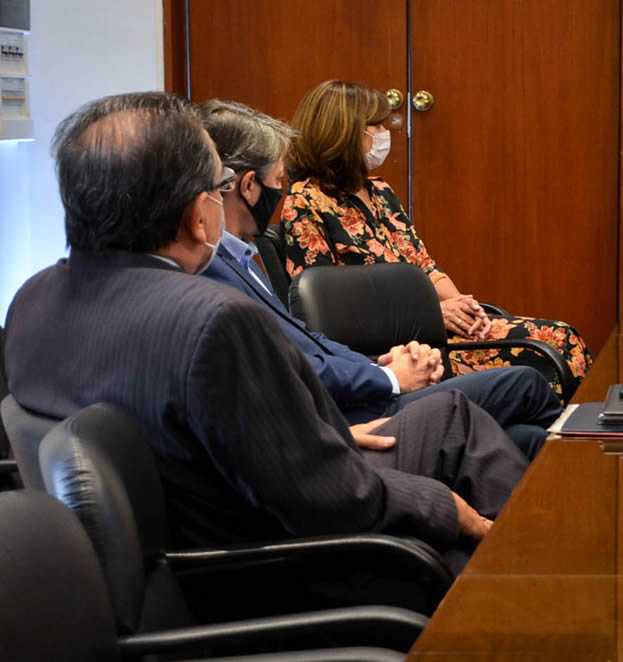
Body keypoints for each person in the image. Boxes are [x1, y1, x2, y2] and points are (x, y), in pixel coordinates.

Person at [4, 92, 524, 571]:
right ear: (196, 217)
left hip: (186, 541)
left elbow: (191, 434)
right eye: (215, 190)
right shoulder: (212, 320)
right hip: (266, 566)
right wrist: (446, 507)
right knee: (455, 445)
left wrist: (329, 434)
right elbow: (330, 499)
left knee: (470, 426)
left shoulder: (29, 301)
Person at [195, 99, 561, 460]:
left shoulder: (240, 256)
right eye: (277, 181)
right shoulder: (213, 269)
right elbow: (292, 365)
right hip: (346, 415)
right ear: (247, 186)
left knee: (524, 437)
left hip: (367, 378)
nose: (281, 192)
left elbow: (307, 340)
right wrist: (391, 378)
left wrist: (380, 365)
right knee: (525, 382)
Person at [278, 80, 591, 393]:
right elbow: (328, 311)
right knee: (556, 346)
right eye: (376, 126)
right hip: (400, 349)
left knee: (565, 338)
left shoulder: (381, 191)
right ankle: (566, 442)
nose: (385, 133)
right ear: (343, 132)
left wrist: (464, 308)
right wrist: (430, 315)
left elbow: (423, 264)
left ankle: (572, 440)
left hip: (432, 329)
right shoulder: (305, 201)